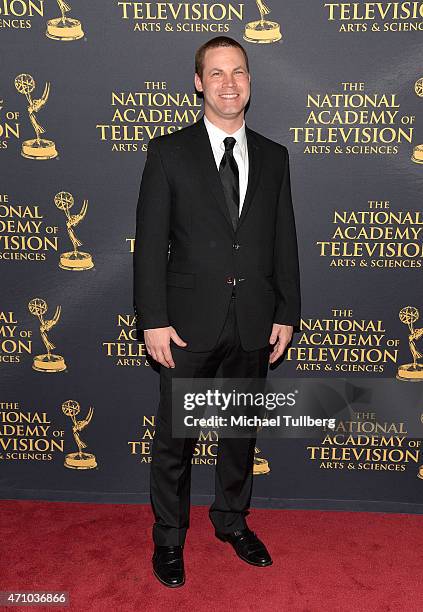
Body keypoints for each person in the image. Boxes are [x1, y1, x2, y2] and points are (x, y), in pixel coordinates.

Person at [133, 35, 301, 588]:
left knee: (238, 435)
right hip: (186, 326)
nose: (230, 83)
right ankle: (169, 540)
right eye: (218, 73)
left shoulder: (274, 157)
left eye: (240, 72)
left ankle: (231, 522)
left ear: (250, 82)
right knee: (176, 441)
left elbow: (284, 243)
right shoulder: (168, 152)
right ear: (199, 83)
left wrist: (286, 311)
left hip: (253, 319)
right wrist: (153, 319)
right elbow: (150, 242)